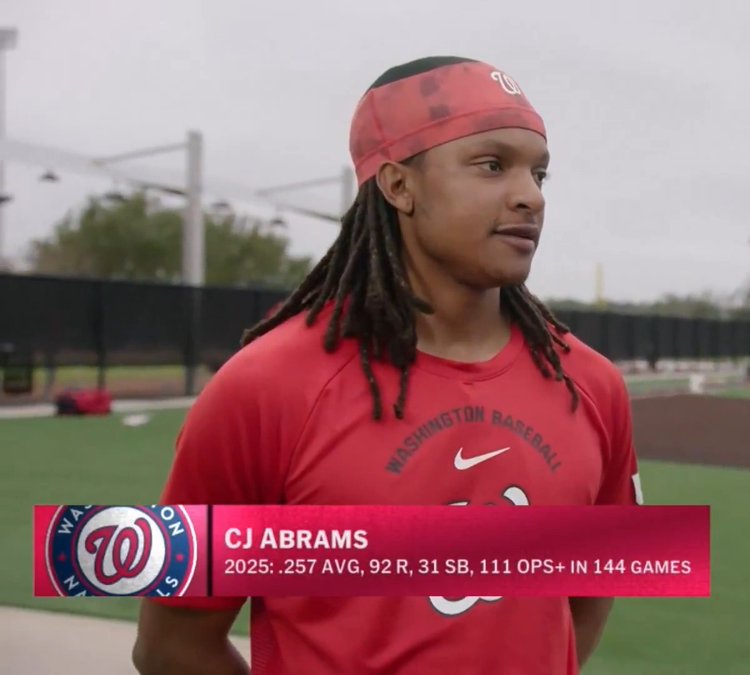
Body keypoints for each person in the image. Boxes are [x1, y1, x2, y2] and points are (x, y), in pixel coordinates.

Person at [132, 55, 643, 675]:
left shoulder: (592, 385)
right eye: (491, 165)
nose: (529, 196)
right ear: (399, 186)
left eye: (539, 173)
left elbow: (591, 594)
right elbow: (172, 647)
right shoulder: (264, 388)